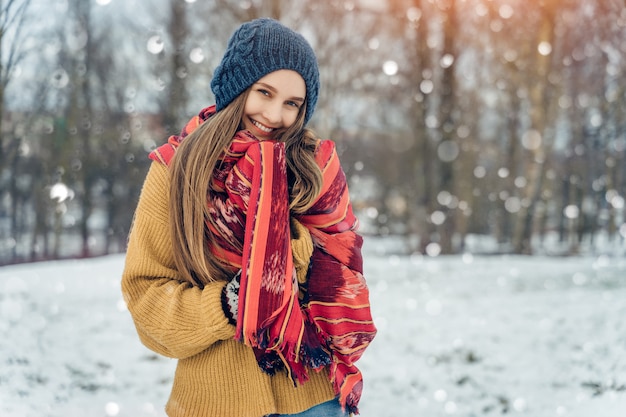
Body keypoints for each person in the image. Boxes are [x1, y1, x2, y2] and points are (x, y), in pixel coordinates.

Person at [121, 18, 376, 417]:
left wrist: (288, 253)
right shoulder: (177, 172)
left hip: (312, 398)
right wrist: (229, 305)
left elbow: (340, 276)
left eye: (292, 103)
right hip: (215, 402)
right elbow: (147, 302)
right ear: (237, 88)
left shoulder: (313, 171)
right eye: (265, 92)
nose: (275, 115)